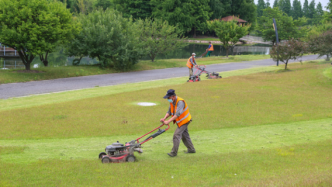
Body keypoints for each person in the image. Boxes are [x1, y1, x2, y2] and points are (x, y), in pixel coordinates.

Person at [160, 89, 196, 157]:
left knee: (176, 135)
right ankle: (191, 149)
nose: (168, 99)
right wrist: (164, 118)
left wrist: (168, 121)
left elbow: (177, 114)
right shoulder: (171, 102)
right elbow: (169, 112)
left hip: (185, 120)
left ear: (173, 96)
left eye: (168, 97)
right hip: (180, 121)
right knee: (184, 135)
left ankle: (174, 153)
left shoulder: (180, 102)